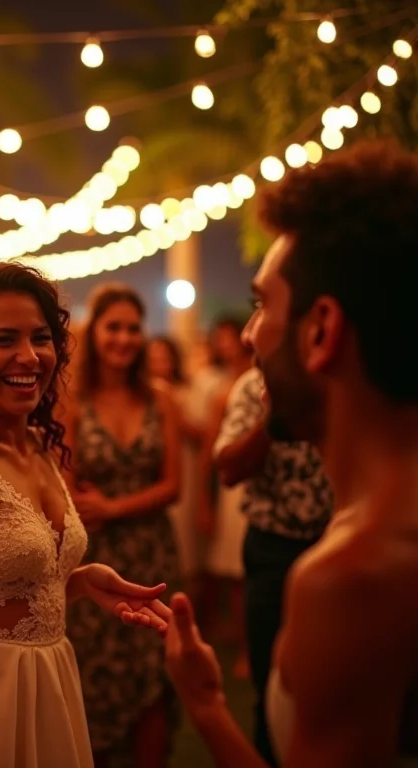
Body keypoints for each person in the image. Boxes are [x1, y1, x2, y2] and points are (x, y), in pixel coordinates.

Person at [166, 141, 418, 766]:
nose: (249, 336)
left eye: (261, 305)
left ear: (322, 330)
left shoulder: (352, 579)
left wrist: (203, 708)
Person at [0, 263, 171, 768]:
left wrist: (80, 581)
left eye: (41, 338)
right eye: (4, 340)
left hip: (52, 682)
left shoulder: (38, 446)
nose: (29, 356)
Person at [65, 285, 181, 768]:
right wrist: (98, 511)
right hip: (95, 559)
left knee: (154, 670)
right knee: (97, 673)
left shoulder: (161, 398)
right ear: (95, 335)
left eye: (134, 328)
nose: (125, 338)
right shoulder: (72, 402)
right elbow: (65, 484)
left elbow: (173, 484)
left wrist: (114, 507)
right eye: (113, 327)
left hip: (152, 550)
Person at [214, 366, 332, 765]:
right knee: (271, 689)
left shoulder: (349, 378)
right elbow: (229, 468)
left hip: (338, 546)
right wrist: (273, 415)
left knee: (339, 689)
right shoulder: (253, 385)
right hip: (273, 549)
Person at [198, 317, 252, 676]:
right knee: (236, 572)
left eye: (230, 338)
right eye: (220, 339)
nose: (225, 345)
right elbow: (208, 453)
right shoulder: (222, 392)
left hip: (260, 484)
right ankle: (245, 649)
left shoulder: (266, 382)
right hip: (234, 493)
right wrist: (205, 502)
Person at [147, 335, 205, 588]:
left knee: (185, 539)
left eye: (164, 357)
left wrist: (176, 414)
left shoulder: (186, 391)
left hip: (186, 467)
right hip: (152, 471)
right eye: (154, 357)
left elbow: (202, 435)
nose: (159, 362)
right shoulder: (143, 394)